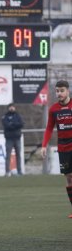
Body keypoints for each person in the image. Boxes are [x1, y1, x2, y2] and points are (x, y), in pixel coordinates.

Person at [41, 80, 72, 219]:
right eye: (57, 91)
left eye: (62, 90)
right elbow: (49, 128)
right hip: (63, 147)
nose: (59, 93)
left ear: (68, 91)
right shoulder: (53, 109)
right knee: (69, 179)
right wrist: (43, 145)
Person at [2, 103, 24, 176]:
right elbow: (6, 125)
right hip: (9, 139)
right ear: (8, 108)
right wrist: (14, 125)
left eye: (13, 107)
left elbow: (21, 124)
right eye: (10, 107)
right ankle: (7, 171)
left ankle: (19, 171)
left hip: (17, 138)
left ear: (14, 108)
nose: (11, 108)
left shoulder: (18, 116)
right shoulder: (5, 116)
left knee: (18, 155)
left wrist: (12, 124)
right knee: (8, 155)